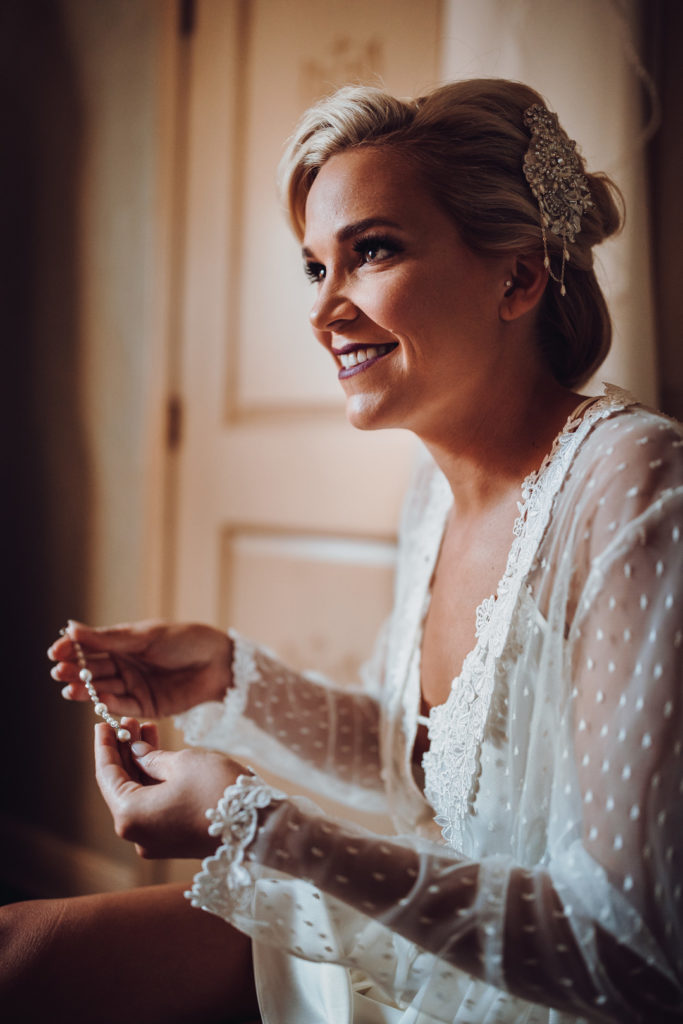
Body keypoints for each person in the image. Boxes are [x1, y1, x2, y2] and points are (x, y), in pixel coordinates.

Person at [3, 78, 682, 1023]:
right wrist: (225, 674)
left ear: (517, 278)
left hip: (533, 994)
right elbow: (429, 759)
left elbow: (631, 949)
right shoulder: (431, 496)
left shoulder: (632, 484)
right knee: (19, 954)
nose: (326, 311)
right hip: (429, 943)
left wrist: (257, 825)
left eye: (371, 251)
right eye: (314, 268)